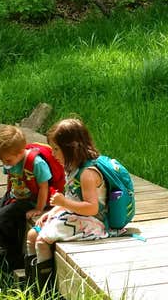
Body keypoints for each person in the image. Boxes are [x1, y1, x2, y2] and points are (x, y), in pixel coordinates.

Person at [28, 116, 109, 290]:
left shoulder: (88, 174)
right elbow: (73, 197)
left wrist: (63, 202)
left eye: (56, 149)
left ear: (71, 148)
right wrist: (54, 210)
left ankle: (45, 292)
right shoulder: (73, 169)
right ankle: (31, 284)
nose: (53, 154)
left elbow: (92, 207)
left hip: (95, 221)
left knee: (42, 241)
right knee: (31, 235)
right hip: (77, 215)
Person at [0, 125, 61, 277]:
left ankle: (10, 254)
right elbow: (12, 178)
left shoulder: (36, 163)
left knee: (3, 218)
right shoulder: (9, 160)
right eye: (2, 160)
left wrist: (39, 209)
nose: (5, 164)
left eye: (8, 160)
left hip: (33, 199)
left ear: (21, 152)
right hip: (16, 195)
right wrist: (9, 195)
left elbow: (44, 188)